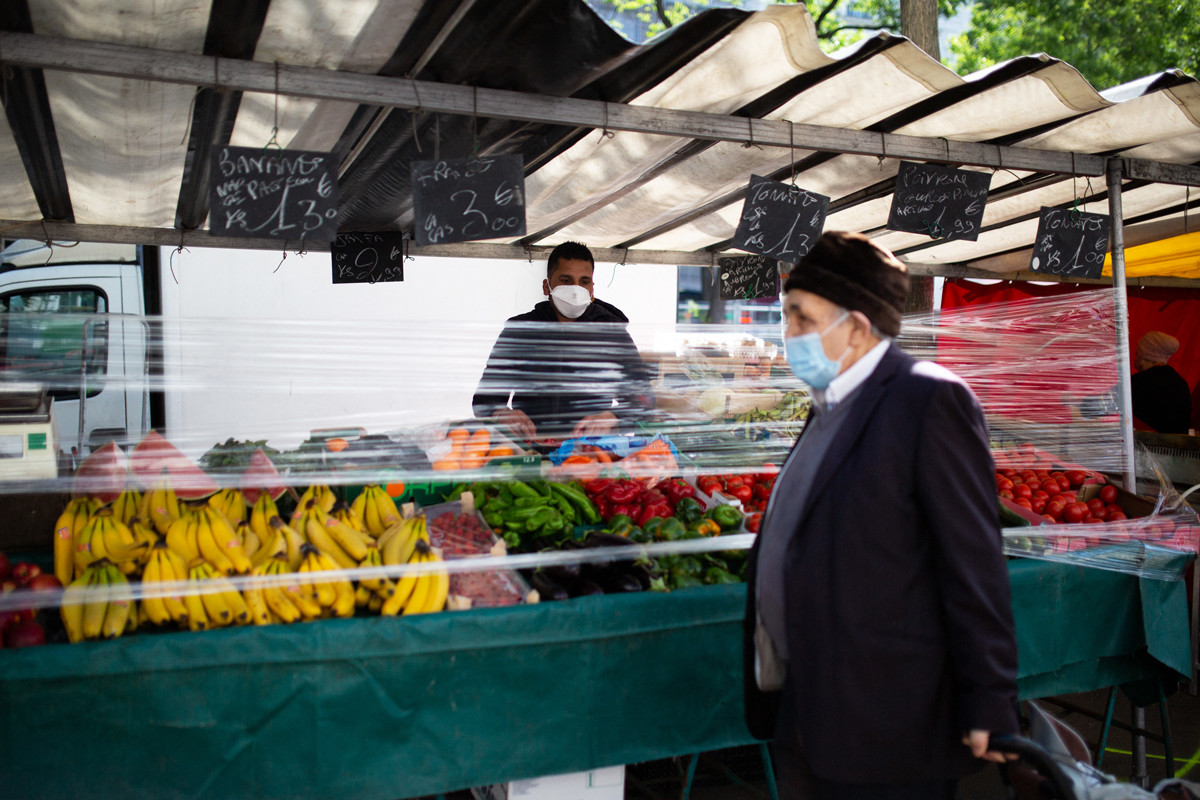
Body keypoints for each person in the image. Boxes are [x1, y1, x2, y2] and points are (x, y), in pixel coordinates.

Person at [742, 231, 1019, 799]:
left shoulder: (929, 401)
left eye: (800, 317)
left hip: (886, 721)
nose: (787, 333)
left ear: (857, 325)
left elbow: (973, 566)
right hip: (808, 704)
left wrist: (989, 697)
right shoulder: (829, 404)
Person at [472, 241, 653, 441]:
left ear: (592, 288)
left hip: (591, 453)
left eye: (584, 281)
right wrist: (502, 415)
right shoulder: (520, 330)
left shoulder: (611, 332)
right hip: (530, 451)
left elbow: (644, 401)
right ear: (546, 286)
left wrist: (611, 417)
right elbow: (484, 400)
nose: (575, 289)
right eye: (566, 280)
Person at [1130, 331, 1190, 434]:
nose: (1135, 357)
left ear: (1144, 356)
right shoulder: (1181, 383)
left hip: (1146, 447)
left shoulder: (1139, 382)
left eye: (1137, 353)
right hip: (1175, 448)